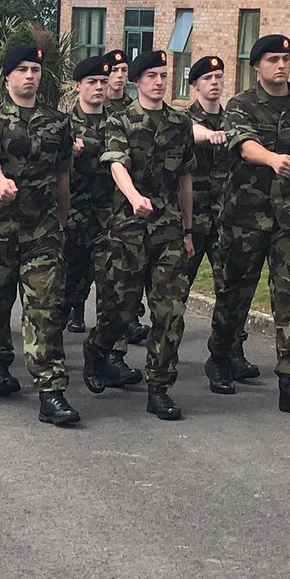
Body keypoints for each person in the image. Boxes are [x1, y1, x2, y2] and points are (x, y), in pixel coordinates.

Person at [0, 44, 80, 426]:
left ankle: (51, 393)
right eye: (22, 69)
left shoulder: (57, 121)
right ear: (7, 77)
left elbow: (63, 176)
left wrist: (62, 222)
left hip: (42, 233)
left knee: (45, 310)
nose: (30, 75)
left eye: (35, 69)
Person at [207, 34, 290, 413]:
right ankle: (221, 355)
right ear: (257, 66)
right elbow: (243, 144)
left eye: (285, 59)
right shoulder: (241, 106)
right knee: (234, 295)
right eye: (273, 59)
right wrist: (273, 159)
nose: (281, 65)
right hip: (244, 218)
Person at [82, 49, 194, 421]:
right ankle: (98, 349)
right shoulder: (121, 120)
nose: (159, 82)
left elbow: (185, 179)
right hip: (128, 230)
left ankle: (159, 387)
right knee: (118, 310)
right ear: (137, 82)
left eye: (164, 75)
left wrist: (189, 229)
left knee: (170, 310)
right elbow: (116, 164)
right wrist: (133, 198)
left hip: (169, 231)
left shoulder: (180, 123)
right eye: (152, 76)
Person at [64, 54, 143, 388]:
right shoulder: (63, 124)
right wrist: (69, 154)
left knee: (117, 296)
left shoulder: (120, 121)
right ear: (78, 86)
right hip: (72, 224)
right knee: (64, 296)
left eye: (102, 81)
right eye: (91, 82)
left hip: (110, 223)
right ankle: (50, 363)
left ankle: (108, 355)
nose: (98, 87)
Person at [183, 55, 259, 393]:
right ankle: (163, 357)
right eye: (208, 78)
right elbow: (189, 131)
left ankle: (229, 354)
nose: (215, 82)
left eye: (219, 76)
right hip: (191, 219)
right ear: (195, 85)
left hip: (226, 218)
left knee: (230, 290)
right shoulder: (182, 118)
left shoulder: (235, 118)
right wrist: (210, 135)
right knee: (174, 291)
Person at [103, 49, 151, 347]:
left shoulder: (135, 109)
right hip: (96, 203)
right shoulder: (95, 106)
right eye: (115, 71)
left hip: (129, 205)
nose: (119, 76)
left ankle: (130, 322)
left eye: (124, 70)